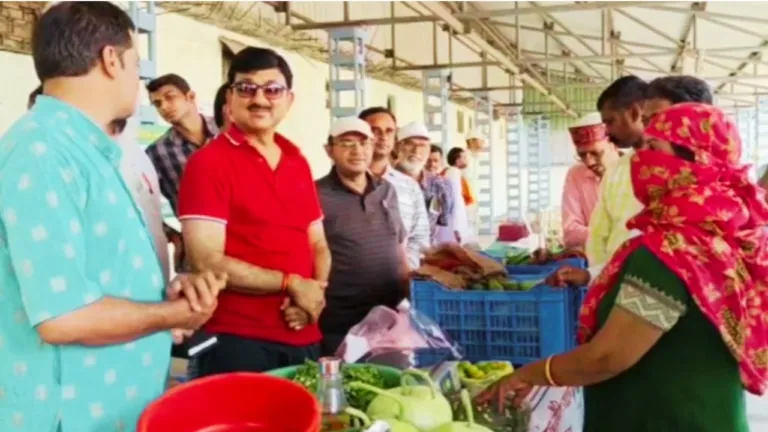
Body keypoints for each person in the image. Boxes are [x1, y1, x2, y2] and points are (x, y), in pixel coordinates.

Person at [0, 3, 225, 432]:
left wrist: (170, 292)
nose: (137, 83)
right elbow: (64, 317)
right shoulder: (42, 152)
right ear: (110, 59)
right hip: (73, 413)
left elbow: (107, 271)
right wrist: (171, 315)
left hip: (117, 403)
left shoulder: (91, 150)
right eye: (135, 64)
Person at [483, 103, 767, 432]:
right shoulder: (724, 236)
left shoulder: (671, 252)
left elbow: (609, 356)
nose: (640, 158)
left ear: (695, 161)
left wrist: (528, 374)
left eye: (654, 148)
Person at [178, 47, 330, 375]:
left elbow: (317, 243)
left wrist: (313, 296)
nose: (259, 99)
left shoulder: (297, 162)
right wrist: (292, 283)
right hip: (237, 340)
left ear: (289, 99)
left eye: (272, 89)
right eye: (246, 88)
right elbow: (207, 261)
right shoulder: (208, 163)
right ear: (229, 99)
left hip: (304, 332)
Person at [316, 117, 410, 354]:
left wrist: (410, 291)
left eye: (364, 143)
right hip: (340, 321)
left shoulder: (387, 190)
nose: (357, 151)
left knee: (390, 381)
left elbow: (398, 246)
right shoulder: (315, 194)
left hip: (389, 316)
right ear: (329, 150)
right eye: (347, 143)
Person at [360, 107, 430, 268]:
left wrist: (403, 270)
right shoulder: (340, 184)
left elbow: (419, 238)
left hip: (398, 284)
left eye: (389, 131)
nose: (383, 137)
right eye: (375, 131)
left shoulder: (409, 186)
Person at [561, 113, 619, 249]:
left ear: (613, 145)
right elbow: (570, 233)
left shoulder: (634, 170)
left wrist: (596, 235)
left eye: (596, 153)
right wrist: (617, 236)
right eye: (582, 155)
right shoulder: (576, 175)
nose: (589, 162)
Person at [395, 121, 456, 245]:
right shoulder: (384, 181)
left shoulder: (440, 184)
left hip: (426, 252)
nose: (416, 151)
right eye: (409, 144)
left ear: (428, 149)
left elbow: (442, 224)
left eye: (422, 145)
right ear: (397, 147)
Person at [442, 147, 472, 244]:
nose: (466, 160)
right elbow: (454, 199)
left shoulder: (454, 172)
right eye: (464, 157)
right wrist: (456, 227)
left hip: (456, 215)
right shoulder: (453, 172)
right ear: (457, 159)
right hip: (455, 217)